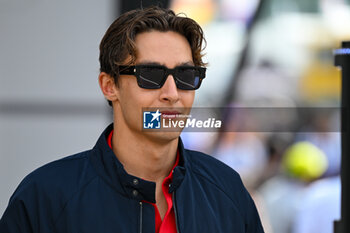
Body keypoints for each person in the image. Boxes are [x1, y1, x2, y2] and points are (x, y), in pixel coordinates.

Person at [0, 6, 264, 233]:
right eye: (150, 74)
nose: (172, 94)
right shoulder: (46, 197)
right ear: (109, 85)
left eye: (185, 75)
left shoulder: (227, 191)